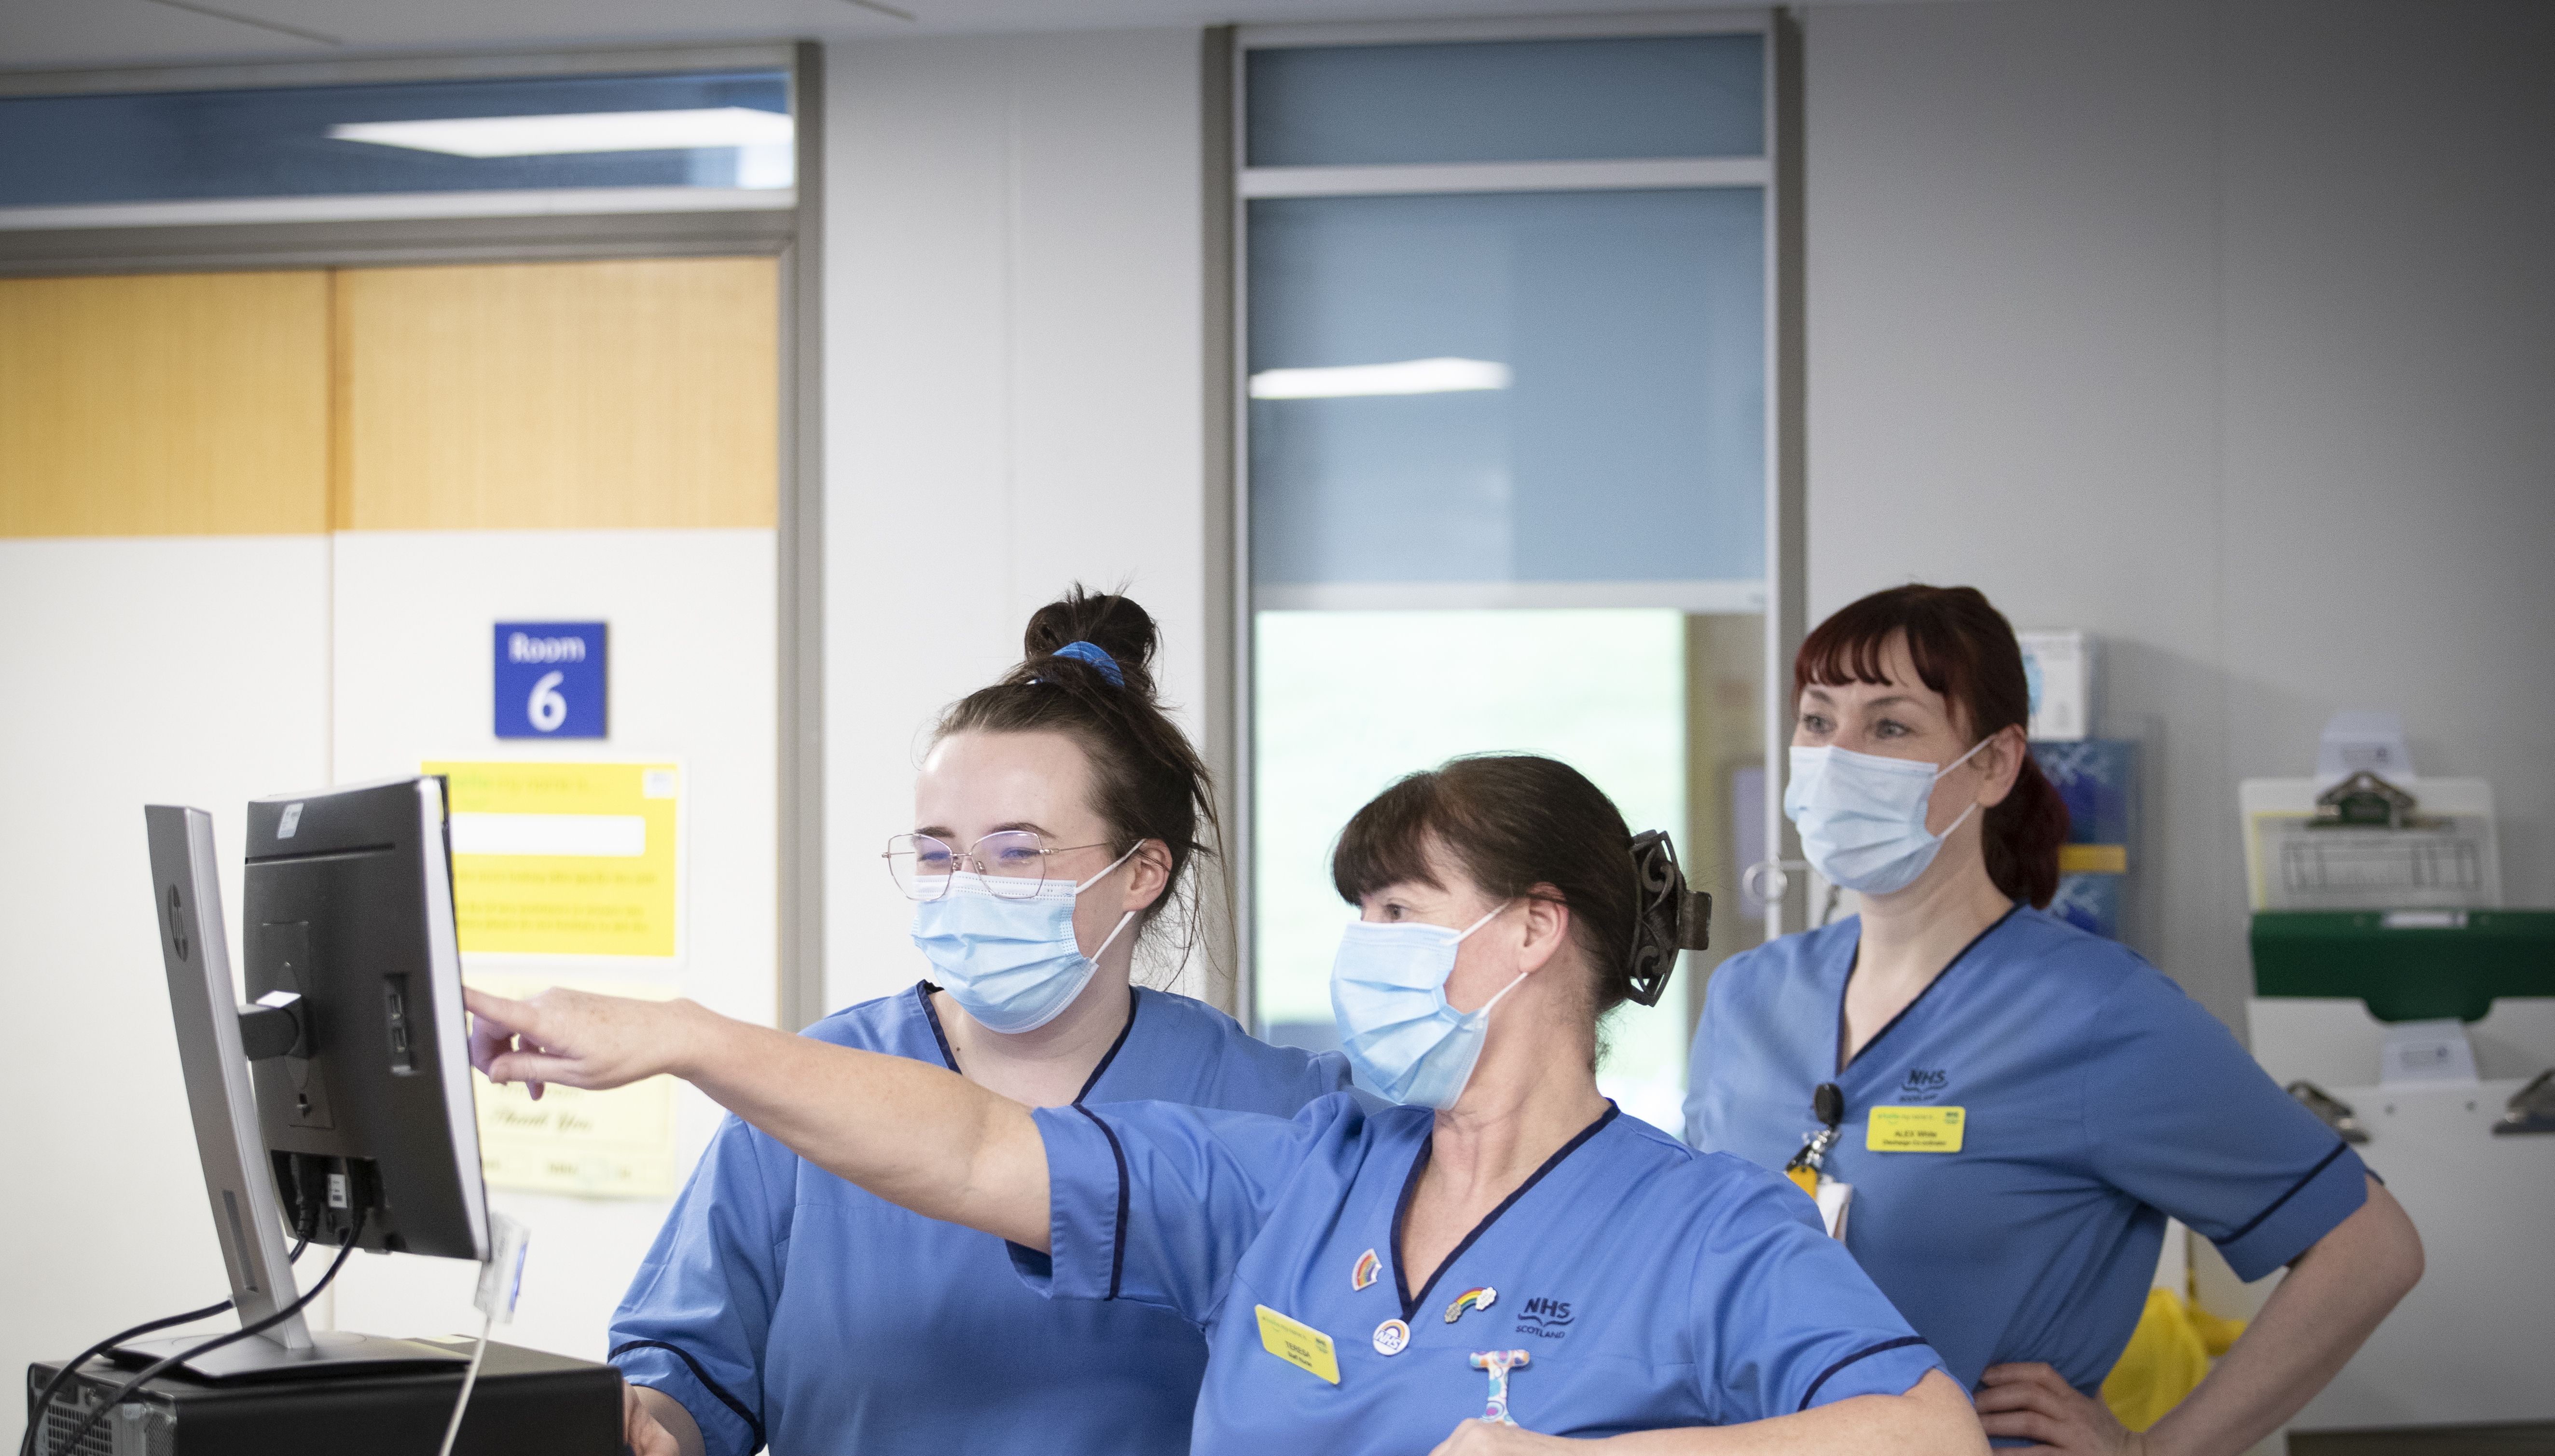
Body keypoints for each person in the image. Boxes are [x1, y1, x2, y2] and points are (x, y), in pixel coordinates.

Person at [470, 754, 1989, 1456]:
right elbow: (973, 1146)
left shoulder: (1703, 1220)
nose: (1361, 951)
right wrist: (684, 1038)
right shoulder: (1296, 1169)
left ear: (1532, 930)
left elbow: (1927, 1434)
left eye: (1396, 910)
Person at [607, 589, 1351, 1456]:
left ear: (1143, 870)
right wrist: (652, 1428)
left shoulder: (1273, 1107)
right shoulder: (813, 1090)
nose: (964, 884)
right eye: (935, 853)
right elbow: (686, 1374)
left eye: (1016, 852)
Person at [1684, 584, 2424, 1456]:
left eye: (1890, 726)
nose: (1837, 755)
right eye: (1817, 721)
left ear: (1994, 765)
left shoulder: (2097, 1014)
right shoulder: (1746, 996)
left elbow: (2371, 1246)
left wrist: (2159, 1450)